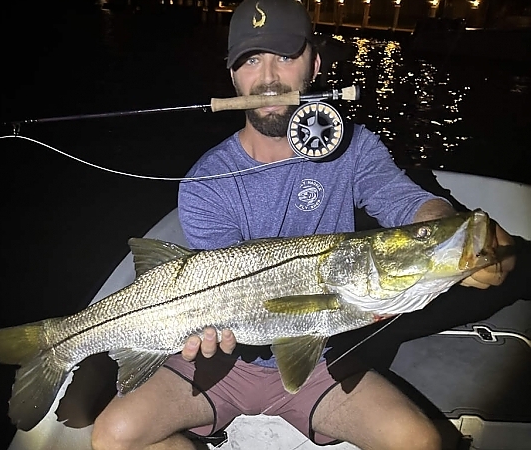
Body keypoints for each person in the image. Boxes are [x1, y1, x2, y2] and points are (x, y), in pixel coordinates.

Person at [91, 0, 517, 449]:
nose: (269, 77)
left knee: (420, 443)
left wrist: (447, 229)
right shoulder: (205, 182)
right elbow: (221, 287)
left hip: (325, 360)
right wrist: (200, 330)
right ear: (233, 76)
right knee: (114, 437)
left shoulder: (353, 148)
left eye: (285, 56)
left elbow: (404, 201)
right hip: (225, 365)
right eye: (251, 60)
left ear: (313, 64)